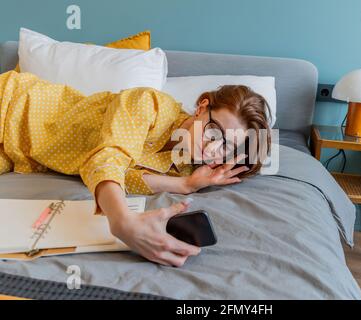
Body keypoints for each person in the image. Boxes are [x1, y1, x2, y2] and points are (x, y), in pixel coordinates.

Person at [0, 71, 271, 266]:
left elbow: (125, 176)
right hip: (13, 105)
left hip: (16, 154)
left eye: (226, 146)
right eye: (214, 133)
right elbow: (107, 159)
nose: (213, 150)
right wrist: (122, 222)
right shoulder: (148, 104)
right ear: (202, 107)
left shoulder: (187, 166)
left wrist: (185, 186)